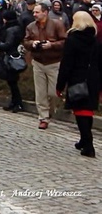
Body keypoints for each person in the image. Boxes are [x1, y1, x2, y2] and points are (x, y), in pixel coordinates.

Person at [56, 11, 102, 158]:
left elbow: (67, 64)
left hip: (77, 78)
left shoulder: (73, 39)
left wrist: (60, 84)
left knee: (80, 110)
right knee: (87, 110)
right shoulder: (95, 40)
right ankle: (83, 140)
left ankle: (88, 144)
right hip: (94, 78)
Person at [23, 2, 67, 129]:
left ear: (45, 12)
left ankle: (51, 111)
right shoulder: (31, 26)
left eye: (37, 12)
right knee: (40, 93)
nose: (34, 14)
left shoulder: (57, 24)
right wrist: (33, 43)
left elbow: (64, 41)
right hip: (38, 62)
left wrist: (51, 45)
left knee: (53, 93)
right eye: (34, 12)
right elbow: (25, 41)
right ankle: (43, 118)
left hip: (54, 62)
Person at [0, 9, 25, 113]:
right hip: (12, 55)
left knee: (13, 82)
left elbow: (8, 44)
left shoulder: (10, 30)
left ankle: (18, 103)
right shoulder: (16, 27)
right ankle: (14, 102)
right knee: (12, 82)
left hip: (10, 57)